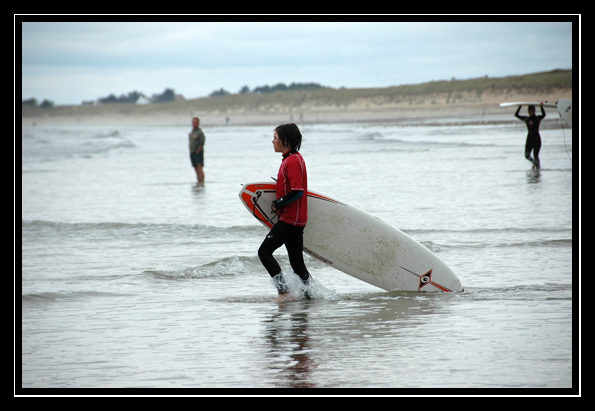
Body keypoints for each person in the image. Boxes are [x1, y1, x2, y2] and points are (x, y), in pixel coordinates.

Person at [258, 123, 312, 302]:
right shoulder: (292, 158)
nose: (272, 141)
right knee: (297, 265)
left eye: (275, 138)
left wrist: (278, 202)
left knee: (264, 252)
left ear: (285, 140)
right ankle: (310, 297)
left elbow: (298, 191)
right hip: (295, 219)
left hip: (290, 219)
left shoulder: (292, 161)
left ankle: (284, 291)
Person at [515, 104, 546, 169]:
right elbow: (516, 115)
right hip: (529, 138)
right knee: (527, 155)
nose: (530, 112)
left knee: (536, 155)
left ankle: (538, 170)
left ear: (534, 111)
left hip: (536, 138)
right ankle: (535, 163)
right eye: (529, 111)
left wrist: (541, 106)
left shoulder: (537, 118)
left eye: (531, 111)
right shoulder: (527, 119)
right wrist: (520, 106)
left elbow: (544, 114)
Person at [188, 117, 205, 183]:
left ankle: (202, 182)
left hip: (198, 152)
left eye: (196, 122)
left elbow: (202, 142)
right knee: (195, 168)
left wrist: (198, 151)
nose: (195, 124)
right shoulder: (191, 133)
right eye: (194, 122)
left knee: (199, 168)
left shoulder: (200, 132)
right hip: (192, 152)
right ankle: (198, 181)